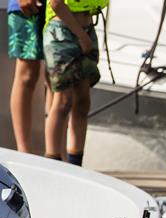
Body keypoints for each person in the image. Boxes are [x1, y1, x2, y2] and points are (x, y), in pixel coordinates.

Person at [42, 0, 106, 166]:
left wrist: (85, 35)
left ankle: (75, 164)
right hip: (62, 33)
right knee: (63, 101)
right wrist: (82, 36)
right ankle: (52, 162)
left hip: (87, 30)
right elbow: (56, 3)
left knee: (83, 101)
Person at [7, 0, 45, 152]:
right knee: (27, 74)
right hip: (28, 7)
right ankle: (23, 152)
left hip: (65, 10)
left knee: (57, 79)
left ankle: (55, 154)